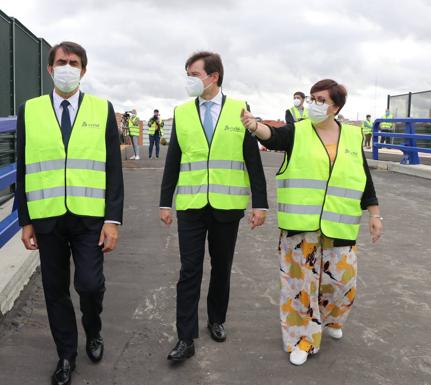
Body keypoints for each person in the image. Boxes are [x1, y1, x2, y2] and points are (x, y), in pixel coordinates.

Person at [241, 79, 383, 366]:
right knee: (300, 287)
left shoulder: (353, 136)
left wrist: (374, 214)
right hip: (300, 227)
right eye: (311, 98)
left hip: (339, 226)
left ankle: (330, 319)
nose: (312, 104)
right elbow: (273, 136)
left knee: (342, 284)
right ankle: (301, 338)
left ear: (336, 106)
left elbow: (364, 178)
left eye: (320, 100)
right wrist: (255, 126)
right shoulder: (298, 131)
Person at [15, 41, 124, 385]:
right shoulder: (29, 111)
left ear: (83, 71)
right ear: (50, 69)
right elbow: (23, 165)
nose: (67, 67)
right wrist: (25, 219)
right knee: (55, 289)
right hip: (47, 217)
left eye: (73, 63)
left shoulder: (101, 109)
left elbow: (113, 169)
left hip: (89, 217)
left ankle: (93, 329)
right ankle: (66, 355)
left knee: (90, 285)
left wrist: (113, 220)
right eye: (61, 62)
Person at [160, 51, 268, 362]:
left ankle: (216, 319)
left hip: (227, 206)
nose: (189, 80)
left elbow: (252, 160)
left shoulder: (239, 110)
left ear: (213, 76)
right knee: (189, 270)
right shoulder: (181, 113)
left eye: (193, 74)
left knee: (221, 267)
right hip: (191, 206)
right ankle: (185, 337)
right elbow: (173, 162)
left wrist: (259, 204)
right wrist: (164, 202)